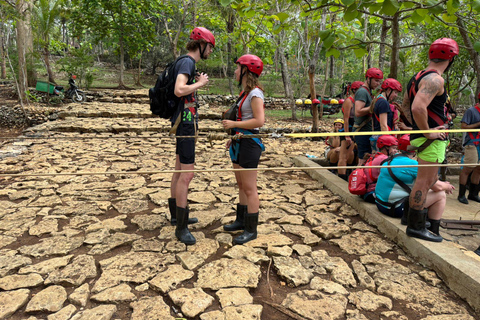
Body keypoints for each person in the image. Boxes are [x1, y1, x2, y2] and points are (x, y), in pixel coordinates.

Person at [403, 37, 459, 242]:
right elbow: (417, 107)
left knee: (425, 180)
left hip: (422, 138)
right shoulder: (435, 79)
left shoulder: (416, 77)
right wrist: (427, 132)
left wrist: (415, 129)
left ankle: (414, 220)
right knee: (425, 181)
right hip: (431, 140)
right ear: (451, 58)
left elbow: (406, 106)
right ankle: (415, 227)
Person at [169, 27, 215, 245]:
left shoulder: (184, 62)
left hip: (184, 123)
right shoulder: (188, 62)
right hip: (185, 124)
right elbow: (179, 90)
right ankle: (181, 227)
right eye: (210, 47)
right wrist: (200, 84)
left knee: (179, 171)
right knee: (187, 175)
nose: (211, 52)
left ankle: (177, 215)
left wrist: (195, 82)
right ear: (202, 45)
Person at [375, 135, 454, 240]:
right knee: (440, 195)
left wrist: (440, 184)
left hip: (381, 204)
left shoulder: (393, 159)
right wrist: (447, 186)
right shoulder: (412, 164)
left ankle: (424, 224)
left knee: (425, 190)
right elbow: (437, 187)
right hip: (394, 208)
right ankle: (433, 231)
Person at [222, 54, 265, 245]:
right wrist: (233, 133)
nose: (235, 71)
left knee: (249, 187)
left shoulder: (255, 94)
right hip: (239, 140)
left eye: (238, 68)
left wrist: (233, 123)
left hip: (249, 143)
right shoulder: (245, 94)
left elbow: (259, 121)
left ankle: (251, 228)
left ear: (247, 71)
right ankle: (241, 219)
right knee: (241, 185)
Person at [354, 68, 383, 165]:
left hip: (366, 130)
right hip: (362, 131)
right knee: (363, 159)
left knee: (366, 158)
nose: (378, 83)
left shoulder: (368, 92)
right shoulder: (362, 92)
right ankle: (358, 179)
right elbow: (358, 111)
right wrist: (372, 107)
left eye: (379, 81)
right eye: (376, 80)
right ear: (368, 79)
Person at [458, 92, 480, 204]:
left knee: (479, 169)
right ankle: (461, 194)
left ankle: (473, 193)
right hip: (472, 143)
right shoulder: (471, 111)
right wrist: (478, 124)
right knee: (468, 168)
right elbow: (463, 126)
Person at [337, 81, 363, 181]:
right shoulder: (349, 101)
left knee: (350, 155)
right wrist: (347, 135)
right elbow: (346, 119)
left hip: (357, 130)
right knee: (343, 156)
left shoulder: (358, 101)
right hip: (348, 130)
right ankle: (341, 178)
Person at [362, 135, 398, 203]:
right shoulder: (385, 159)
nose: (396, 151)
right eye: (394, 148)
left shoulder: (376, 156)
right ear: (386, 147)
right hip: (373, 193)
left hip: (367, 192)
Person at [370, 78, 402, 151]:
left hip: (376, 136)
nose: (396, 95)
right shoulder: (383, 103)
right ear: (389, 90)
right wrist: (388, 142)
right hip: (381, 137)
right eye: (395, 92)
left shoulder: (378, 100)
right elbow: (383, 125)